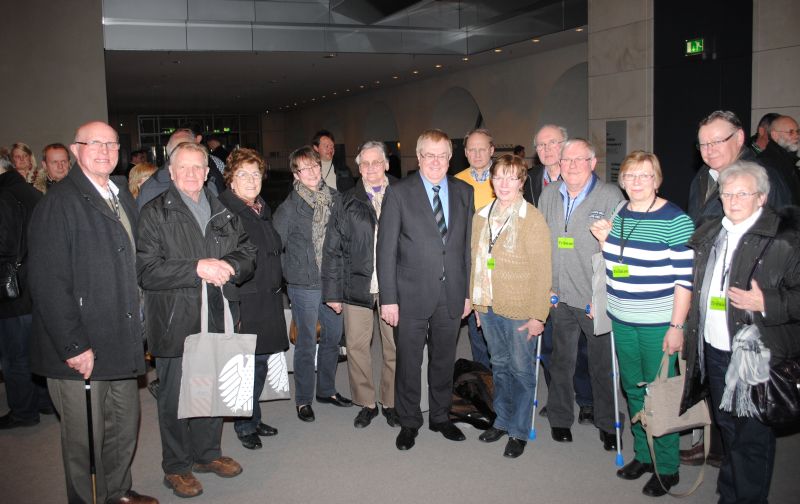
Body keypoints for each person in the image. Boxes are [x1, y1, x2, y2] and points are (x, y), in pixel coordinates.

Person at [27, 121, 157, 504]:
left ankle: (117, 492)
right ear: (75, 149)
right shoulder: (60, 203)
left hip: (119, 339)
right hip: (81, 348)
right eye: (94, 143)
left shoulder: (120, 196)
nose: (104, 150)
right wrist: (73, 345)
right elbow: (48, 283)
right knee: (84, 439)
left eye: (112, 144)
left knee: (123, 426)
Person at [137, 141, 256, 499]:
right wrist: (196, 268)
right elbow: (147, 270)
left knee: (210, 389)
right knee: (174, 397)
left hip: (217, 315)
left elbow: (247, 252)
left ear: (208, 173)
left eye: (198, 168)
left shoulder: (223, 209)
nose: (191, 174)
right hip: (175, 318)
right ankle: (176, 466)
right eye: (183, 168)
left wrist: (232, 266)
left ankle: (207, 455)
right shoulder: (155, 212)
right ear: (171, 173)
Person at [680, 161, 800, 504]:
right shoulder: (711, 232)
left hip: (754, 355)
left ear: (761, 198)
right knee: (729, 430)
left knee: (752, 439)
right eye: (727, 193)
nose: (732, 200)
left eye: (742, 194)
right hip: (714, 350)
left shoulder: (785, 239)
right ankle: (730, 495)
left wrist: (768, 301)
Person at [590, 151, 694, 497]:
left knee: (659, 393)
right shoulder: (620, 216)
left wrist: (676, 327)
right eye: (631, 176)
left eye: (645, 176)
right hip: (623, 318)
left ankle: (667, 466)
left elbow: (684, 281)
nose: (637, 182)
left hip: (657, 323)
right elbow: (619, 266)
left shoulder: (675, 219)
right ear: (622, 181)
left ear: (657, 179)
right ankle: (644, 454)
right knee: (633, 388)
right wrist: (605, 241)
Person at [377, 129, 474, 451]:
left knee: (444, 361)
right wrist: (388, 299)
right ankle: (409, 421)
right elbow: (386, 250)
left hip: (451, 294)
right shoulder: (400, 192)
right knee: (408, 362)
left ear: (450, 158)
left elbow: (464, 249)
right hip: (409, 296)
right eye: (428, 155)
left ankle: (441, 417)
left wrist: (467, 292)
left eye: (442, 155)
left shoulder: (464, 191)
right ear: (418, 158)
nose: (435, 161)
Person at [538, 138, 624, 450]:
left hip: (592, 299)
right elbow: (540, 240)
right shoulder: (548, 194)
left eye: (579, 160)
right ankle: (560, 418)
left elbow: (620, 250)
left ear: (592, 163)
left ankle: (607, 421)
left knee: (601, 365)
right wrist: (544, 285)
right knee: (561, 362)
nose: (572, 166)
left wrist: (603, 296)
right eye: (566, 160)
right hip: (558, 296)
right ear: (559, 165)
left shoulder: (610, 194)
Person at [470, 154, 551, 459]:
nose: (504, 184)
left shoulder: (532, 219)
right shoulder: (481, 216)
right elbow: (475, 263)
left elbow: (543, 271)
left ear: (521, 182)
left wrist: (537, 316)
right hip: (489, 307)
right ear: (491, 180)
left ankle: (518, 429)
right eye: (498, 177)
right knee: (499, 366)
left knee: (521, 369)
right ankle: (502, 420)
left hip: (520, 309)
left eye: (511, 177)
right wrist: (477, 304)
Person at [322, 141, 399, 429]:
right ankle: (366, 402)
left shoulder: (403, 195)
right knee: (356, 346)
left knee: (394, 347)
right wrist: (333, 292)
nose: (370, 168)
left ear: (387, 164)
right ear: (358, 167)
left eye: (376, 162)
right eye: (364, 163)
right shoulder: (346, 200)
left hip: (394, 287)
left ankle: (390, 401)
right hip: (357, 285)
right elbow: (333, 249)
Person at [274, 145, 352, 423]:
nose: (311, 172)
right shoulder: (288, 208)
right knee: (307, 343)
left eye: (314, 166)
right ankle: (304, 399)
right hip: (304, 285)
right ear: (295, 174)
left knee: (333, 338)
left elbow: (344, 238)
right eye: (303, 168)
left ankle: (327, 390)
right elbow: (275, 248)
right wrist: (290, 277)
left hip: (332, 282)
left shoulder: (335, 198)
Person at [218, 148, 288, 450]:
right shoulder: (227, 211)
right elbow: (224, 261)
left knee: (259, 363)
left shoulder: (260, 207)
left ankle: (252, 416)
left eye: (255, 174)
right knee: (246, 366)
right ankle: (244, 424)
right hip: (245, 302)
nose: (250, 179)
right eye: (243, 174)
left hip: (267, 299)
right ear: (230, 179)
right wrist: (234, 309)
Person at [523, 124, 594, 423]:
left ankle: (588, 400)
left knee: (582, 347)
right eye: (540, 145)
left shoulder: (585, 181)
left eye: (553, 143)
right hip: (543, 277)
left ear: (565, 146)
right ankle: (558, 397)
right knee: (551, 344)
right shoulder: (527, 182)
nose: (547, 149)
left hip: (579, 278)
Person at [0, 150, 49, 429]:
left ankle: (22, 411)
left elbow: (4, 245)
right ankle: (41, 401)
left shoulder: (5, 196)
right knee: (34, 349)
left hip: (13, 290)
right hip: (34, 284)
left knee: (14, 355)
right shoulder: (32, 193)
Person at [688, 110, 790, 227]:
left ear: (739, 137)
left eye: (717, 141)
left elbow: (781, 233)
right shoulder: (701, 176)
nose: (710, 150)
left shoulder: (764, 178)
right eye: (703, 144)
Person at [455, 128, 496, 369]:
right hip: (470, 267)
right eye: (472, 149)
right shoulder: (456, 182)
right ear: (466, 152)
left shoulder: (504, 178)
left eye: (483, 148)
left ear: (492, 150)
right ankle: (484, 382)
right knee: (476, 331)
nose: (477, 154)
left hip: (501, 267)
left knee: (500, 330)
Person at [137, 125, 225, 208]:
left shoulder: (148, 188)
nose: (190, 173)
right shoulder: (151, 191)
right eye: (183, 166)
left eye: (197, 166)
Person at [758, 115, 800, 205]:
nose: (796, 136)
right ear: (775, 135)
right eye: (791, 132)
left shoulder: (788, 161)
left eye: (797, 132)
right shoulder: (767, 162)